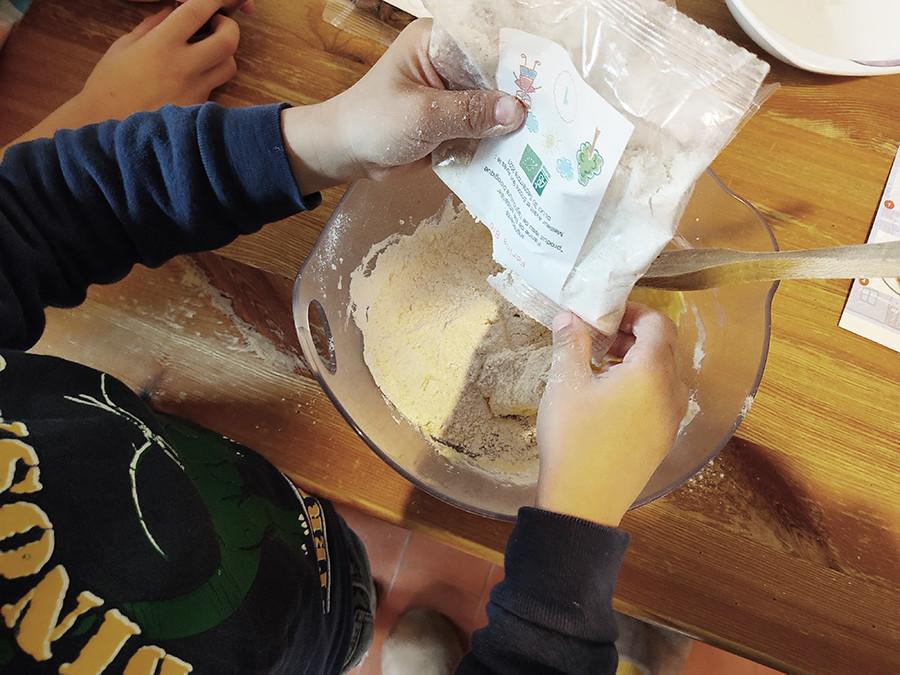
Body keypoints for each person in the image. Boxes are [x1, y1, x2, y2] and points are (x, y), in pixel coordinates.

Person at [0, 1, 688, 672]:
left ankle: (357, 623)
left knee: (341, 606)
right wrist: (571, 544)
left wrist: (323, 139)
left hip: (273, 531)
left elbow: (25, 222)